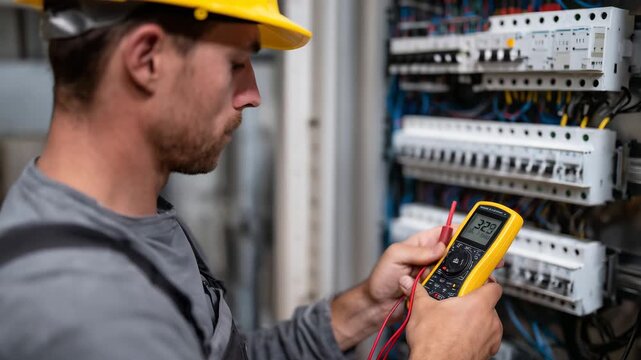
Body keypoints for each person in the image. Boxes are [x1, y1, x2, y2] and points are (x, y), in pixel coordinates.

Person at [0, 0, 503, 359]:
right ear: (147, 59)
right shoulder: (86, 315)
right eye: (237, 63)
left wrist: (366, 309)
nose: (253, 95)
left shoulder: (135, 218)